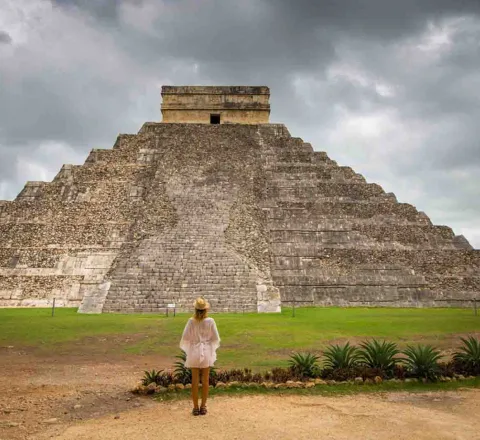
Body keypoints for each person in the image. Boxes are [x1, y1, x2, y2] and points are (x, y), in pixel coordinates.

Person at [180, 297, 220, 416]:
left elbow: (185, 337)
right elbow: (215, 338)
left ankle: (195, 407)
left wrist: (194, 343)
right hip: (206, 351)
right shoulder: (210, 321)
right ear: (206, 309)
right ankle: (203, 406)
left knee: (195, 381)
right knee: (206, 380)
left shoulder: (191, 321)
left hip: (194, 351)